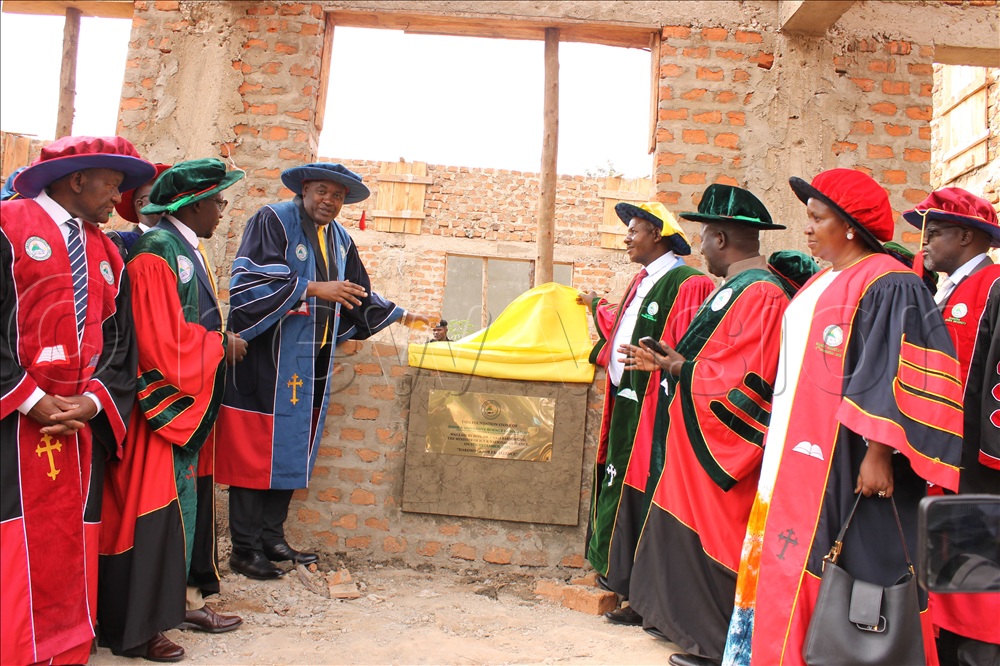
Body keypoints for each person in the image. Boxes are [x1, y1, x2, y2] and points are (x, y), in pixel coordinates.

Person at [722, 169, 964, 666]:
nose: (806, 229)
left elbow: (895, 368)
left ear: (851, 224)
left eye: (817, 218)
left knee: (840, 577)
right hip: (795, 453)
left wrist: (878, 453)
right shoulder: (823, 279)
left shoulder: (890, 282)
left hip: (845, 460)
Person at [621, 186, 811, 666]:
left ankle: (713, 645)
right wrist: (668, 363)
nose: (700, 245)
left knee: (717, 539)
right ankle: (685, 631)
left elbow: (749, 377)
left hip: (723, 443)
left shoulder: (763, 293)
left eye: (705, 236)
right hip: (693, 436)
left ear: (722, 238)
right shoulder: (736, 287)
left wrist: (682, 370)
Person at [215, 162, 431, 579]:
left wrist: (406, 317)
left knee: (294, 445)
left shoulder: (340, 239)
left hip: (308, 359)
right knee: (253, 449)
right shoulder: (272, 219)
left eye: (337, 195)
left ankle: (272, 539)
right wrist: (312, 288)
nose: (328, 201)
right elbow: (247, 281)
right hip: (264, 356)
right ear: (304, 189)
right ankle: (243, 549)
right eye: (321, 191)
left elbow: (356, 293)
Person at [1, 135, 150, 665]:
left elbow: (120, 343)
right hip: (11, 423)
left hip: (77, 425)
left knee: (72, 535)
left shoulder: (106, 251)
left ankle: (63, 646)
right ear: (77, 178)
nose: (120, 196)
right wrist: (26, 398)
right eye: (112, 183)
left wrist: (91, 402)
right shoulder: (8, 226)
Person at [98, 159, 247, 661]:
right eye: (218, 202)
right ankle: (140, 627)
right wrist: (217, 344)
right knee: (151, 512)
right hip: (159, 408)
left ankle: (178, 606)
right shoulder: (156, 250)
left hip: (188, 402)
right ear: (193, 203)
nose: (222, 212)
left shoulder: (186, 248)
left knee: (184, 511)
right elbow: (160, 342)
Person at [577, 201, 714, 624]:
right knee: (617, 482)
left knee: (647, 492)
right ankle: (614, 573)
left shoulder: (689, 283)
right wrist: (594, 302)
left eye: (633, 230)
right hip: (627, 403)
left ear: (657, 233)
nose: (626, 237)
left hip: (656, 411)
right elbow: (622, 325)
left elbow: (686, 351)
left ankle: (642, 591)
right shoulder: (643, 279)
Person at [903, 187, 1000, 665]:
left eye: (935, 232)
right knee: (948, 578)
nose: (925, 243)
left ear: (966, 236)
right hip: (942, 461)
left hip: (978, 468)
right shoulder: (946, 291)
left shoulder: (995, 285)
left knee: (980, 589)